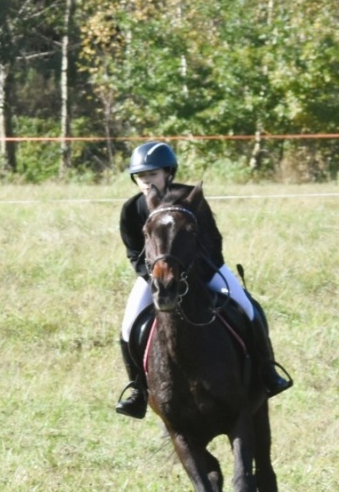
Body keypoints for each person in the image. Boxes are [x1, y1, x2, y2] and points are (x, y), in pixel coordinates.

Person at [115, 140, 292, 418]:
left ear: (168, 173)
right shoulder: (132, 209)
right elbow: (134, 252)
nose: (146, 181)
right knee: (128, 326)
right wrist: (153, 277)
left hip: (205, 271)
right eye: (140, 176)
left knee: (246, 307)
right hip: (156, 277)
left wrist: (196, 274)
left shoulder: (191, 199)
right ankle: (138, 388)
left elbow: (212, 240)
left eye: (152, 174)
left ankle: (266, 370)